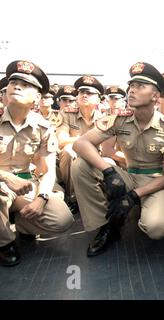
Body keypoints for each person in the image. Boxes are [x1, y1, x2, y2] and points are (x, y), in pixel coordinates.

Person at [71, 62, 164, 257]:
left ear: (155, 96)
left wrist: (134, 195)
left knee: (157, 227)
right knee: (80, 165)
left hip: (155, 182)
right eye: (132, 86)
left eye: (140, 86)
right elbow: (80, 144)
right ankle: (107, 227)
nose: (132, 91)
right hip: (127, 175)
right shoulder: (119, 119)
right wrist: (108, 170)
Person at [0, 60, 73, 266]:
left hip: (25, 187)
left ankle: (23, 224)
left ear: (38, 97)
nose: (17, 86)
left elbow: (48, 170)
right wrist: (6, 177)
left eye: (26, 84)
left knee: (62, 219)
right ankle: (4, 243)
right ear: (5, 90)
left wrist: (41, 198)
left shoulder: (42, 127)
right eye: (13, 82)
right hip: (2, 185)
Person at [57, 76, 105, 209]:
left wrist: (82, 141)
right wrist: (86, 141)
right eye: (81, 92)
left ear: (99, 99)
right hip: (74, 154)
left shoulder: (105, 118)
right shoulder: (67, 114)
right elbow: (61, 141)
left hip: (97, 156)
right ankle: (73, 198)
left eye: (89, 93)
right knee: (67, 152)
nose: (84, 95)